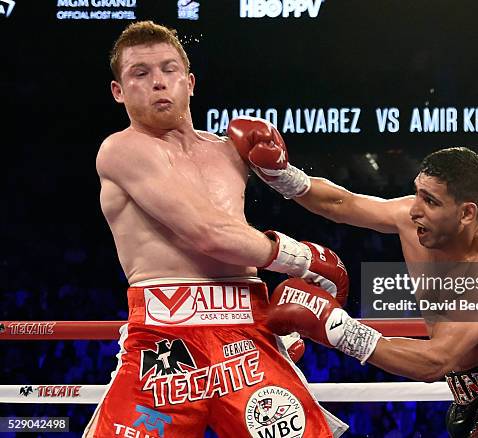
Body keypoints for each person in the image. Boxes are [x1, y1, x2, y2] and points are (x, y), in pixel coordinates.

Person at [84, 21, 349, 438]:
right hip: (164, 344)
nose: (158, 82)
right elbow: (207, 232)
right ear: (119, 91)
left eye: (168, 70)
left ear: (189, 82)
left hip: (247, 334)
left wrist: (287, 177)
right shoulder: (122, 149)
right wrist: (303, 258)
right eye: (140, 73)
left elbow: (329, 200)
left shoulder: (231, 152)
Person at [229, 117, 478, 437]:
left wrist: (338, 328)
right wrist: (282, 174)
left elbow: (435, 361)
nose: (415, 209)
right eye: (418, 192)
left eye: (431, 201)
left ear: (466, 213)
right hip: (468, 397)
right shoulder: (411, 217)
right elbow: (341, 203)